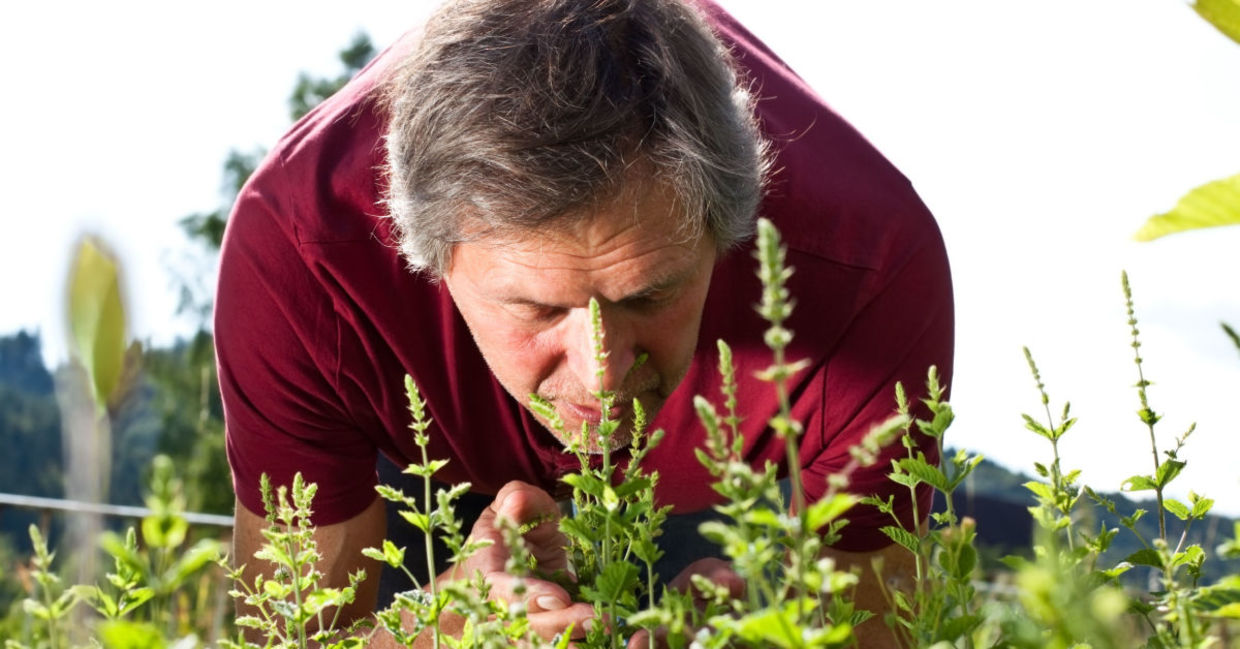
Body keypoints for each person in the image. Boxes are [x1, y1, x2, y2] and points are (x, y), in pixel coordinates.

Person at [216, 0, 954, 646]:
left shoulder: (870, 263)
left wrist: (782, 624)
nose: (602, 373)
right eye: (537, 309)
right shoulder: (302, 253)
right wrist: (421, 635)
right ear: (426, 255)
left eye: (649, 295)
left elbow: (875, 619)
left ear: (725, 233)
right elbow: (290, 631)